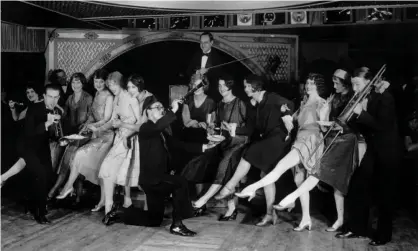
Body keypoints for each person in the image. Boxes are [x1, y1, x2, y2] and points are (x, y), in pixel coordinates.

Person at [104, 97, 213, 237]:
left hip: (157, 178)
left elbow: (178, 145)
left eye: (162, 107)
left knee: (153, 219)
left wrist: (204, 147)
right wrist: (173, 110)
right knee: (180, 183)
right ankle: (177, 225)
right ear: (148, 112)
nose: (162, 109)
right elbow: (156, 126)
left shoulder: (161, 131)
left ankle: (118, 212)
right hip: (152, 180)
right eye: (157, 107)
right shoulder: (146, 128)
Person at [235, 73, 329, 231]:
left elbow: (324, 128)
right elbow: (294, 122)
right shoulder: (303, 102)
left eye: (312, 83)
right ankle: (306, 218)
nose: (308, 85)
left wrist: (324, 116)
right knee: (300, 180)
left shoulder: (322, 103)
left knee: (282, 167)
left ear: (318, 85)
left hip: (311, 141)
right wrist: (287, 114)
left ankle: (253, 188)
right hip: (299, 139)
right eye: (307, 82)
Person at [215, 74, 294, 227]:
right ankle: (271, 214)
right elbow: (250, 129)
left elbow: (289, 105)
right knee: (266, 175)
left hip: (279, 139)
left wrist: (286, 114)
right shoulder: (253, 105)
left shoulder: (272, 98)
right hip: (268, 139)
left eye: (246, 86)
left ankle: (230, 185)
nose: (244, 89)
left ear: (253, 87)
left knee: (249, 152)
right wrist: (234, 128)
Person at [335, 67, 401, 246]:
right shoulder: (366, 98)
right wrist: (349, 123)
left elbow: (382, 126)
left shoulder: (384, 97)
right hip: (374, 149)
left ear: (368, 83)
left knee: (384, 194)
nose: (354, 89)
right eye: (353, 84)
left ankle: (383, 235)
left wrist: (361, 113)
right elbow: (367, 128)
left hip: (388, 152)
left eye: (357, 84)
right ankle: (357, 228)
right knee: (357, 186)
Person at [181, 74, 251, 220]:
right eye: (219, 86)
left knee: (223, 168)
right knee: (211, 165)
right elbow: (217, 126)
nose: (220, 88)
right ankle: (231, 209)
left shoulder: (240, 103)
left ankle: (202, 201)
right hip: (224, 143)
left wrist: (235, 129)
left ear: (230, 86)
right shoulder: (219, 104)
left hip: (239, 144)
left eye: (223, 85)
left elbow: (249, 128)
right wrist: (212, 129)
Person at [54, 69, 114, 209]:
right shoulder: (97, 94)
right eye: (96, 81)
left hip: (106, 136)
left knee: (99, 168)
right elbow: (92, 115)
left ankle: (70, 188)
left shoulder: (108, 96)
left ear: (105, 82)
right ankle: (72, 189)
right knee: (78, 157)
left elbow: (106, 119)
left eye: (101, 81)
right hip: (96, 134)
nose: (98, 84)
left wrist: (92, 126)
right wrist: (86, 126)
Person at [18, 83, 63, 224]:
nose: (53, 100)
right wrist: (46, 124)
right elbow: (29, 133)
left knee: (48, 175)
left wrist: (62, 139)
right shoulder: (34, 108)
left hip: (42, 148)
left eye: (56, 97)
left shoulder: (56, 110)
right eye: (50, 97)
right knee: (41, 175)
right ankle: (40, 213)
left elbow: (52, 134)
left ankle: (35, 207)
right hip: (27, 147)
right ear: (44, 96)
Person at [187, 32, 223, 101]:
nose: (203, 45)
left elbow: (219, 74)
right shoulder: (195, 54)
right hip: (195, 93)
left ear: (211, 43)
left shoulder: (217, 56)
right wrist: (197, 72)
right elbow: (188, 71)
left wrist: (207, 71)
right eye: (201, 42)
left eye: (205, 42)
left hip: (211, 94)